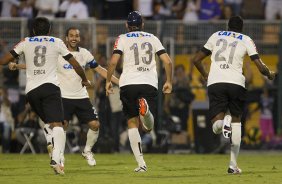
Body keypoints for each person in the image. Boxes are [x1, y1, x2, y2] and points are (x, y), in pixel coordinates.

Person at [0, 17, 90, 175]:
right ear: (49, 30)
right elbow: (75, 63)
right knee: (58, 125)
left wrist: (15, 58)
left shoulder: (26, 41)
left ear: (33, 30)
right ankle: (56, 158)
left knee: (49, 123)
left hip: (31, 92)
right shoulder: (56, 41)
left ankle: (51, 143)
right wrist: (83, 78)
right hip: (50, 88)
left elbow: (4, 60)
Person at [192, 16, 275, 174]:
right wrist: (270, 74)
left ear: (227, 26)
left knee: (216, 126)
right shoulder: (246, 39)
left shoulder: (216, 35)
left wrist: (205, 75)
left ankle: (223, 123)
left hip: (216, 81)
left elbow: (196, 60)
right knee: (237, 123)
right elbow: (260, 66)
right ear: (242, 28)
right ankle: (232, 165)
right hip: (236, 82)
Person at [105, 11, 173, 172]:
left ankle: (141, 164)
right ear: (143, 24)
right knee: (148, 127)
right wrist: (169, 81)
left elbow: (113, 61)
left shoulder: (122, 38)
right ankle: (146, 111)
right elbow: (167, 61)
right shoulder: (153, 38)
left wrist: (108, 81)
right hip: (148, 82)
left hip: (128, 83)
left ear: (127, 25)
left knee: (131, 122)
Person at [44, 27, 119, 167]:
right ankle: (59, 154)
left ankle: (87, 151)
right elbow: (42, 67)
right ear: (66, 38)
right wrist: (19, 66)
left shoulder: (84, 53)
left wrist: (119, 82)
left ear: (80, 38)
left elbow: (100, 69)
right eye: (71, 35)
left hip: (81, 97)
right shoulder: (58, 54)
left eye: (76, 36)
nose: (74, 38)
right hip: (63, 97)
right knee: (62, 127)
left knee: (95, 125)